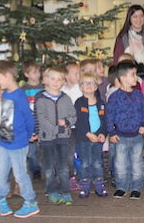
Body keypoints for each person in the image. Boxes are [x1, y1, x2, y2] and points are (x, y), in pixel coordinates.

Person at [0, 61, 39, 218]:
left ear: (8, 76)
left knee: (20, 174)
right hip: (5, 141)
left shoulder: (20, 95)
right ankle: (1, 199)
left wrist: (29, 135)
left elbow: (29, 118)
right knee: (1, 172)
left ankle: (31, 202)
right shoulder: (5, 94)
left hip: (18, 143)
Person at [34, 66, 77, 205]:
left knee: (63, 166)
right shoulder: (41, 99)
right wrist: (57, 129)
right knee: (48, 167)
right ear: (45, 80)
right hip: (47, 138)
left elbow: (73, 115)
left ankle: (65, 191)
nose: (56, 82)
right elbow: (41, 119)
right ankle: (51, 190)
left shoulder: (66, 98)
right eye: (53, 78)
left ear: (64, 81)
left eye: (60, 79)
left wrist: (67, 122)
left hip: (64, 139)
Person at [107, 61, 144, 200]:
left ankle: (136, 188)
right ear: (123, 78)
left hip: (137, 135)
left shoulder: (138, 95)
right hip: (120, 136)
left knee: (137, 163)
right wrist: (111, 132)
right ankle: (121, 187)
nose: (136, 77)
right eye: (133, 75)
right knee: (120, 163)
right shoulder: (114, 97)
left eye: (135, 74)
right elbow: (109, 115)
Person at [74, 72, 108, 198]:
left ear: (96, 86)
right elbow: (78, 122)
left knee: (97, 162)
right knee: (85, 163)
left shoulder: (101, 104)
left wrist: (103, 134)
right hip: (84, 139)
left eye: (91, 83)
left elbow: (105, 122)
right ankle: (85, 186)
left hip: (98, 139)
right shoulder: (79, 103)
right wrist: (88, 134)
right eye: (85, 83)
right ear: (80, 87)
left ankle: (99, 185)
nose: (88, 85)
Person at [113, 4, 144, 77]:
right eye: (135, 16)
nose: (138, 19)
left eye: (141, 16)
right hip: (130, 77)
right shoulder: (123, 38)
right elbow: (117, 61)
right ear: (129, 18)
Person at [20, 60, 43, 179]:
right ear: (26, 74)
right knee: (31, 152)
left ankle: (47, 168)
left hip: (43, 122)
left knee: (45, 149)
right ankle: (35, 169)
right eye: (34, 72)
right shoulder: (23, 89)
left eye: (38, 71)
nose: (37, 74)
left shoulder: (44, 87)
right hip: (30, 124)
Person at [61, 61, 82, 192]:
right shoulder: (61, 90)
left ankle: (83, 175)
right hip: (66, 127)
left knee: (80, 152)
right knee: (69, 153)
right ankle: (70, 177)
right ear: (67, 76)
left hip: (79, 126)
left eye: (80, 73)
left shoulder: (80, 88)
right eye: (76, 73)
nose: (79, 76)